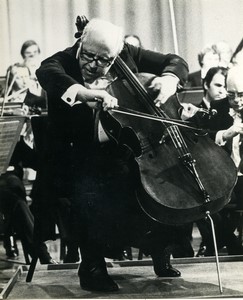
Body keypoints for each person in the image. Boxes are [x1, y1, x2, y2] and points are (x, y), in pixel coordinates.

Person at [35, 18, 189, 292]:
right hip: (79, 152)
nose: (94, 64)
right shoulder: (61, 62)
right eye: (89, 56)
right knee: (92, 184)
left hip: (127, 146)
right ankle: (92, 265)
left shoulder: (127, 52)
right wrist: (85, 93)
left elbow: (174, 60)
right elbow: (47, 75)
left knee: (165, 179)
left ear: (116, 54)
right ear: (81, 42)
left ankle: (160, 249)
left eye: (104, 60)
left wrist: (169, 79)